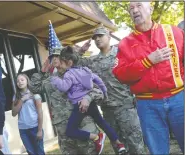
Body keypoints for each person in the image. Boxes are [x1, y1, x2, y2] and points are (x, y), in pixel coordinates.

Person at [112, 2, 184, 154]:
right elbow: (121, 74)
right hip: (147, 104)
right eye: (131, 8)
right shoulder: (125, 43)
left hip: (179, 99)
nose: (135, 10)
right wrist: (147, 61)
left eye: (139, 5)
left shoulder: (174, 32)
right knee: (157, 151)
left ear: (150, 9)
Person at [77, 28, 146, 154]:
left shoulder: (122, 54)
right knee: (119, 147)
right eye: (95, 38)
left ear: (109, 36)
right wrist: (81, 50)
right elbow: (74, 62)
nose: (97, 39)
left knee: (136, 146)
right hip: (108, 111)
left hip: (126, 108)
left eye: (100, 36)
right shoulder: (93, 61)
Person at [51, 46, 127, 155]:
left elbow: (64, 87)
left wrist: (55, 80)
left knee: (70, 131)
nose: (61, 64)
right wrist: (105, 93)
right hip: (91, 103)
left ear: (69, 63)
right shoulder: (86, 71)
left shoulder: (69, 74)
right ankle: (119, 144)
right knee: (102, 122)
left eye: (62, 62)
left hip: (80, 106)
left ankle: (96, 138)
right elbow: (99, 81)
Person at [31, 48, 103, 154]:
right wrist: (42, 72)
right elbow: (34, 88)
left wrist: (87, 98)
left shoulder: (78, 73)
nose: (54, 59)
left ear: (65, 58)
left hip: (83, 124)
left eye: (57, 56)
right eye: (52, 57)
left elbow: (99, 91)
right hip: (64, 131)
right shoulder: (50, 80)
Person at [12, 73, 45, 155]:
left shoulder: (35, 95)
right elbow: (14, 113)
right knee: (31, 153)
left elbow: (40, 113)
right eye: (18, 81)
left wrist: (40, 130)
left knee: (39, 152)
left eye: (22, 80)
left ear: (27, 81)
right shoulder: (16, 97)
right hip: (23, 130)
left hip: (35, 127)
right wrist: (22, 100)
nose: (20, 82)